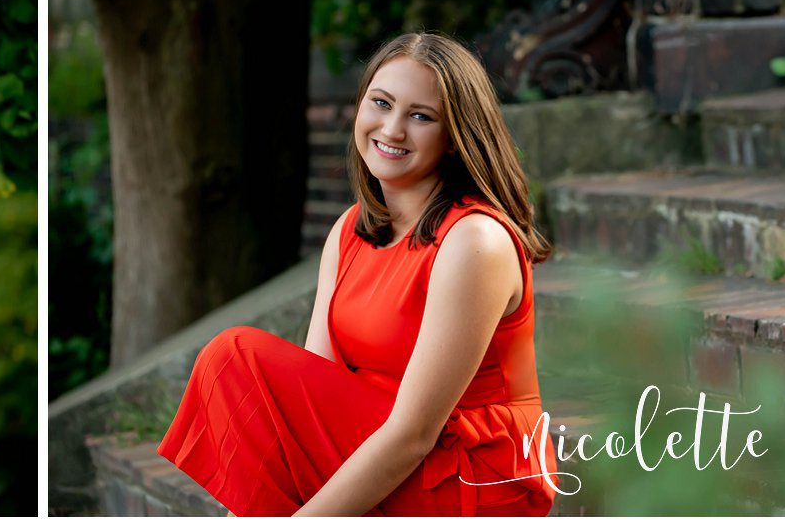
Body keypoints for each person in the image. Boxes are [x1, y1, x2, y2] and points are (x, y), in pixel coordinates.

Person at [159, 32, 557, 516]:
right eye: (381, 103)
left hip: (471, 472)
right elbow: (302, 403)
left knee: (236, 355)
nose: (392, 129)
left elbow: (414, 433)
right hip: (382, 444)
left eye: (420, 116)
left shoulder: (474, 242)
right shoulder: (351, 230)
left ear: (455, 138)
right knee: (235, 370)